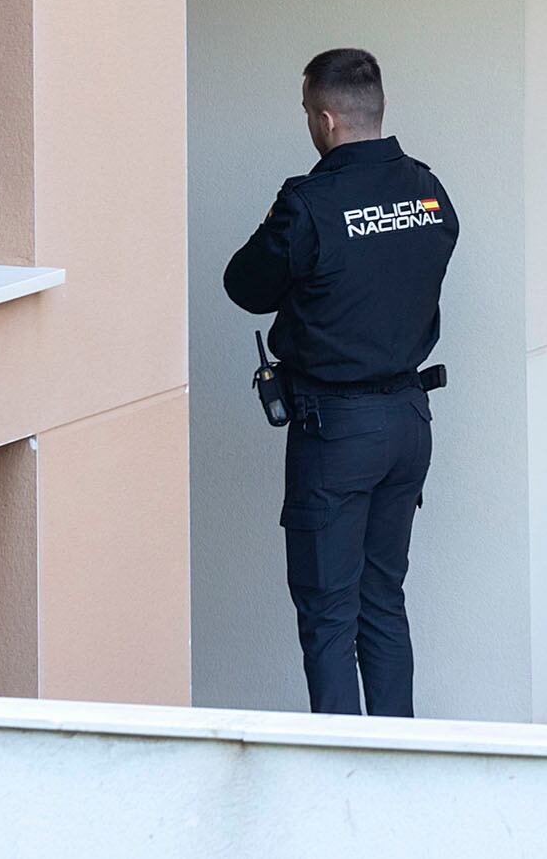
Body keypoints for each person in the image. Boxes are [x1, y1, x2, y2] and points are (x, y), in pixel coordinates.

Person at [221, 46, 459, 717]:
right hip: (409, 422)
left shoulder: (309, 205)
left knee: (328, 612)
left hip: (338, 432)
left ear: (324, 118)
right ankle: (397, 762)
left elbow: (245, 287)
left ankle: (338, 777)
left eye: (306, 112)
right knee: (382, 601)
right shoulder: (426, 189)